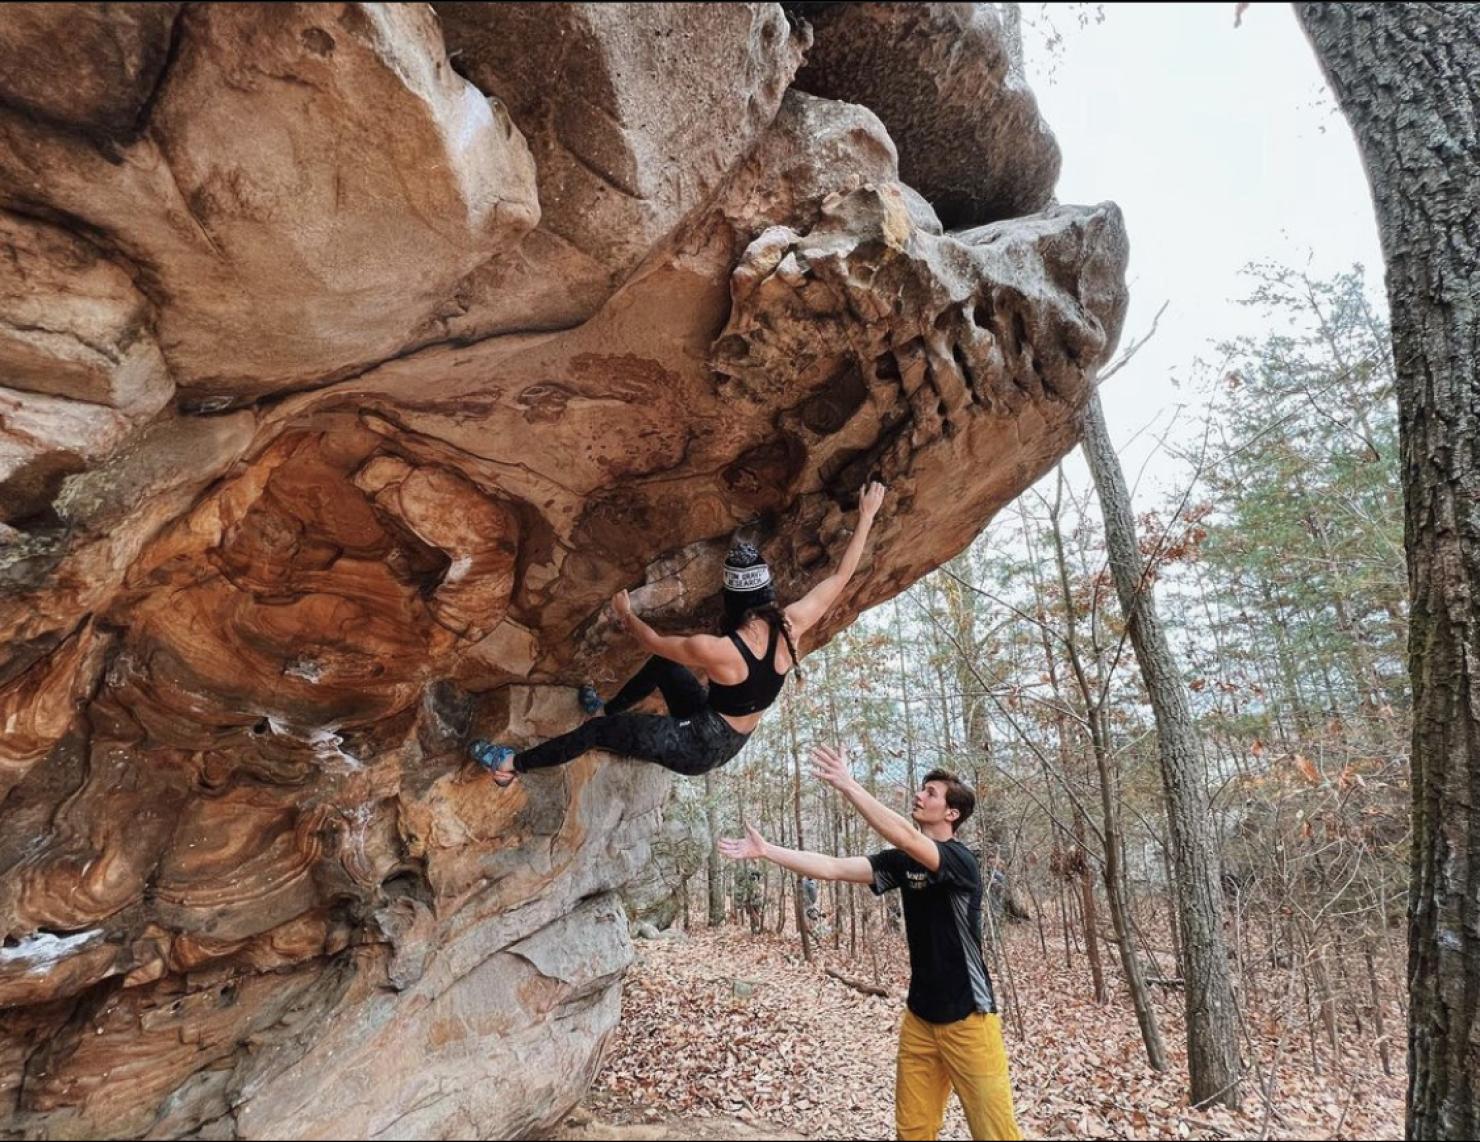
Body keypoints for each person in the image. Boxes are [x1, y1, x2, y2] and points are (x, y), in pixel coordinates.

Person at [469, 482, 887, 786]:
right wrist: (866, 516)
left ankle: (511, 767)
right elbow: (841, 576)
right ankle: (609, 709)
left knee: (596, 736)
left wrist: (626, 614)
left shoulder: (720, 649)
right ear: (767, 593)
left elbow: (651, 639)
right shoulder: (791, 624)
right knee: (664, 666)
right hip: (726, 732)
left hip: (697, 746)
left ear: (732, 599)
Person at [719, 744, 1022, 1141]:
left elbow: (903, 835)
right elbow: (831, 867)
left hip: (970, 1019)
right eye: (922, 788)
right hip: (920, 1018)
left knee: (995, 1132)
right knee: (912, 1130)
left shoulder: (960, 861)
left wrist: (848, 785)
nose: (920, 795)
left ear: (952, 814)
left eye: (931, 793)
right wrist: (766, 850)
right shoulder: (902, 861)